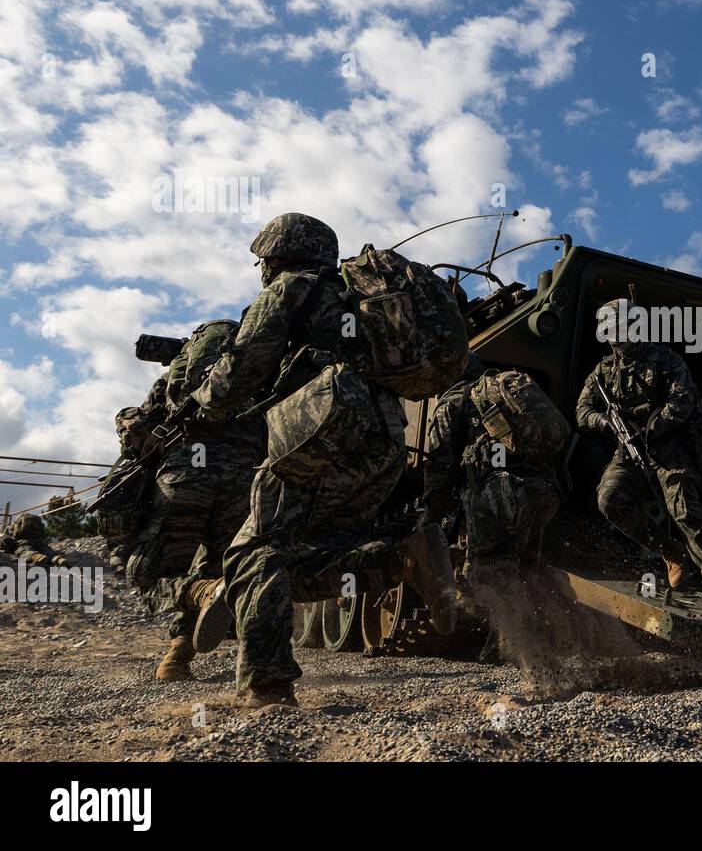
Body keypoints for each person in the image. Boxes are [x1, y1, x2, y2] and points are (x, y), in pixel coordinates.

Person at [190, 212, 456, 707]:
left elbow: (241, 368)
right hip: (385, 432)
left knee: (254, 553)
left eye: (263, 261)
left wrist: (205, 405)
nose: (262, 269)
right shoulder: (357, 298)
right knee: (311, 550)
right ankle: (399, 555)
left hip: (322, 425)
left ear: (277, 254)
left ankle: (267, 686)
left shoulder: (292, 288)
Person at [575, 299, 702, 619]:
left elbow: (684, 400)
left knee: (685, 510)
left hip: (668, 445)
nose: (617, 337)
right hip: (628, 449)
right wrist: (605, 423)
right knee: (609, 500)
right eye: (611, 331)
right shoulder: (603, 371)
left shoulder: (664, 358)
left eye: (622, 329)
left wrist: (652, 428)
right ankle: (669, 551)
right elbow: (583, 410)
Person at [123, 320, 265, 682]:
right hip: (243, 482)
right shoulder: (259, 373)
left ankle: (197, 605)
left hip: (187, 473)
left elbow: (142, 420)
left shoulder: (180, 377)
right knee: (218, 567)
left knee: (148, 570)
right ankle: (177, 656)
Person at [419, 358, 569, 653]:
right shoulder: (508, 392)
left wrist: (430, 523)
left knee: (483, 576)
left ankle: (520, 648)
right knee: (523, 569)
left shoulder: (452, 402)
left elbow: (439, 469)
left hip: (499, 495)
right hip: (544, 490)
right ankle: (547, 636)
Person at [0, 513, 67, 568]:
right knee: (46, 550)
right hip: (39, 541)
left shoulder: (16, 522)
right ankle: (58, 559)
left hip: (23, 541)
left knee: (23, 551)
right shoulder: (35, 520)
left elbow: (11, 533)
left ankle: (36, 557)